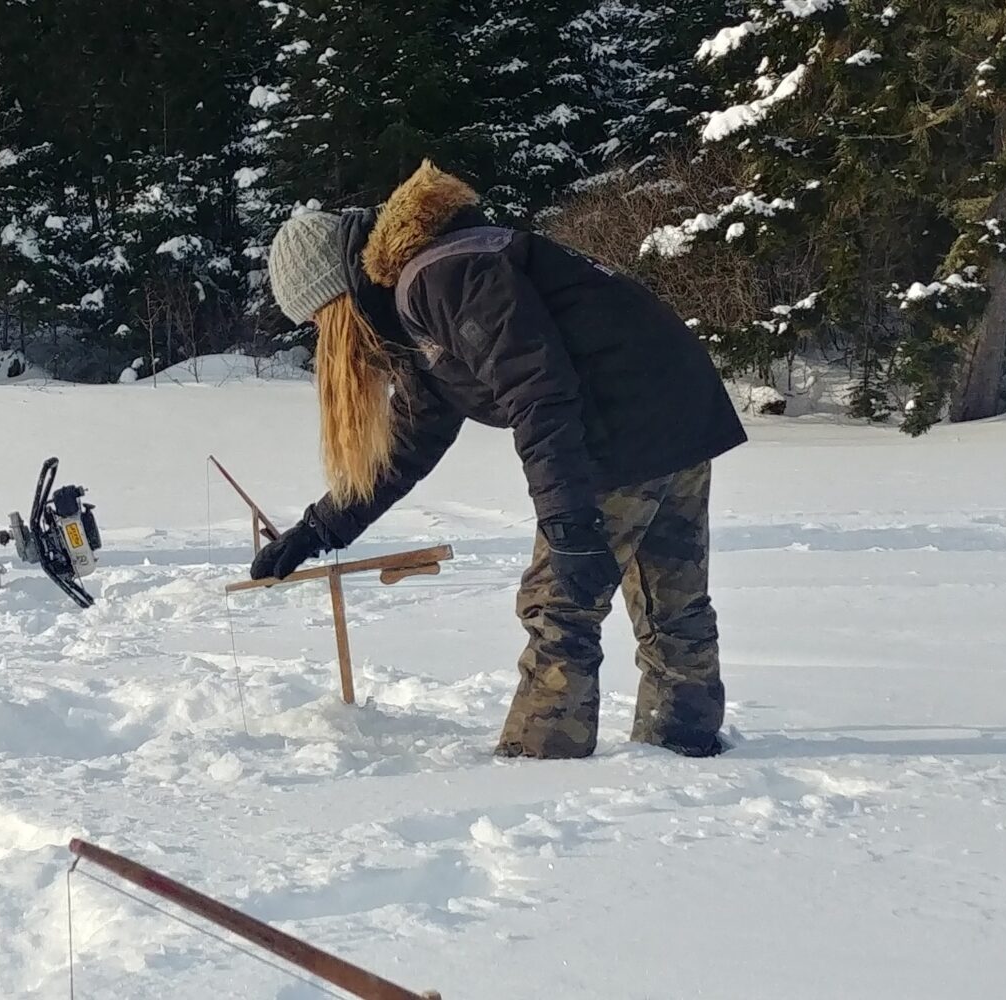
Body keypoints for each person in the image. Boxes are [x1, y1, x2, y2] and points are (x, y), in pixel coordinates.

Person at [256, 160, 747, 760]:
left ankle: (540, 765)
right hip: (680, 406)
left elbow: (537, 393)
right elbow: (409, 441)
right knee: (673, 598)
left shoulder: (441, 276)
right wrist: (320, 528)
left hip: (623, 421)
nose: (322, 337)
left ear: (336, 294)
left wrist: (567, 524)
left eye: (317, 321)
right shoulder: (425, 291)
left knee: (558, 605)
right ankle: (684, 745)